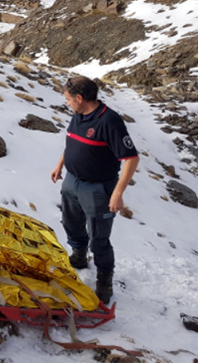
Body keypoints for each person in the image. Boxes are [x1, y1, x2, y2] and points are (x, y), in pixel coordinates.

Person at [50, 76, 139, 304]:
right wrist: (61, 164)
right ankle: (79, 255)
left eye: (69, 99)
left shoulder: (109, 121)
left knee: (99, 238)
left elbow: (131, 158)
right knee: (71, 222)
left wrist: (118, 193)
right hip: (72, 181)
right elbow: (71, 142)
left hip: (99, 188)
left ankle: (104, 280)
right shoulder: (78, 115)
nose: (67, 103)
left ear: (80, 98)